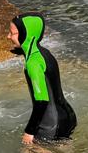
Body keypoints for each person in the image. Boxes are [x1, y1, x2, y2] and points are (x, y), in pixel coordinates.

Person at [11, 13, 76, 143]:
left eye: (13, 33)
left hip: (51, 124)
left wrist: (29, 131)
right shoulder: (44, 53)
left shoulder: (33, 63)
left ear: (25, 34)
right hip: (67, 116)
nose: (8, 36)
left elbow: (41, 101)